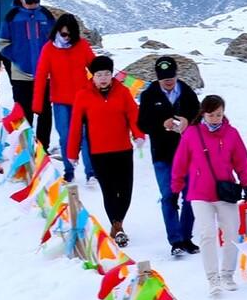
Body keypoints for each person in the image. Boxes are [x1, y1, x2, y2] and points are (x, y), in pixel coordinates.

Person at [171, 95, 247, 297]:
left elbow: (241, 159)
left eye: (219, 114)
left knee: (232, 233)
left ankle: (227, 274)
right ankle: (213, 279)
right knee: (207, 234)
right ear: (203, 113)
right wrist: (176, 188)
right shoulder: (192, 133)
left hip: (225, 192)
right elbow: (180, 162)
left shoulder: (232, 134)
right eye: (212, 114)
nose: (216, 118)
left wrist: (246, 183)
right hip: (200, 192)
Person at [67, 56, 145, 248]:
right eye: (99, 74)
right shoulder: (83, 95)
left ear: (112, 75)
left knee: (125, 191)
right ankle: (117, 227)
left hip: (123, 149)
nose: (103, 78)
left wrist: (138, 134)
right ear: (92, 76)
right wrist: (72, 152)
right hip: (99, 152)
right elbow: (76, 126)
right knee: (109, 191)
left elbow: (133, 115)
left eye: (107, 74)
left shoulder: (123, 92)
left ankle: (117, 223)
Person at [137, 57, 202, 257]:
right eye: (164, 78)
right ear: (157, 77)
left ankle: (186, 237)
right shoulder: (149, 95)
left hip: (188, 154)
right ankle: (175, 240)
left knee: (190, 196)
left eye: (171, 77)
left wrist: (186, 120)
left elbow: (199, 117)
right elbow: (142, 124)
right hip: (163, 155)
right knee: (168, 197)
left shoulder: (187, 92)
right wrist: (161, 124)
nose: (169, 81)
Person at [33, 13, 97, 185]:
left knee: (85, 136)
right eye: (64, 34)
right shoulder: (48, 49)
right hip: (60, 100)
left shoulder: (82, 45)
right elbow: (40, 76)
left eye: (70, 34)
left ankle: (91, 173)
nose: (67, 38)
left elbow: (96, 68)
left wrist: (95, 89)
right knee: (65, 136)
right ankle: (69, 171)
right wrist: (38, 104)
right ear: (57, 31)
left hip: (82, 99)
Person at [0, 0, 55, 149]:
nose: (32, 5)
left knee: (45, 111)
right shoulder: (12, 16)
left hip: (45, 74)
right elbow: (2, 43)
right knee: (23, 111)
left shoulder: (45, 15)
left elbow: (55, 41)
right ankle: (24, 146)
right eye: (29, 1)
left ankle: (43, 148)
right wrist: (17, 58)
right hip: (20, 74)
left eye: (35, 1)